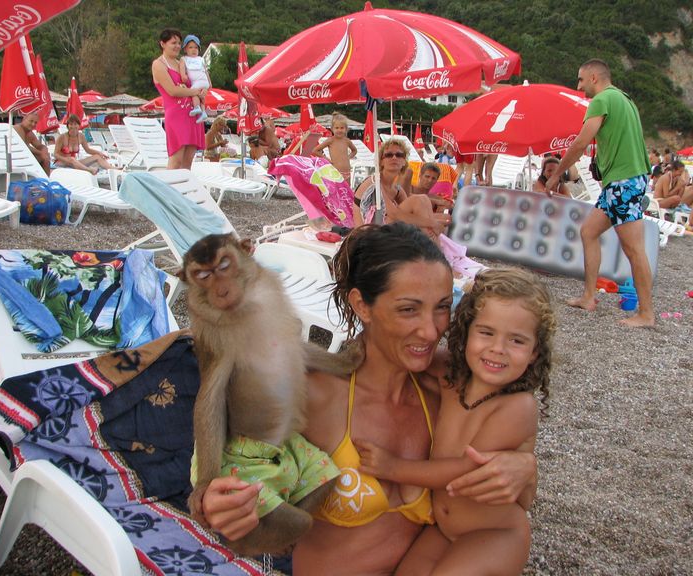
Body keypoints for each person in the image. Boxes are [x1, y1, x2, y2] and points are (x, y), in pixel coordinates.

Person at [200, 223, 538, 575]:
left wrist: (525, 467)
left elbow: (514, 477)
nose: (431, 330)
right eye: (408, 309)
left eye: (442, 307)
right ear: (362, 304)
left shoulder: (449, 388)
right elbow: (232, 468)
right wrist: (217, 503)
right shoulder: (317, 394)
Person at [358, 266, 555, 575]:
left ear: (534, 352)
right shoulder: (451, 376)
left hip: (494, 534)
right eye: (486, 332)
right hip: (443, 529)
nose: (498, 349)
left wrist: (392, 467)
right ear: (466, 331)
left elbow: (467, 469)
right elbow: (402, 357)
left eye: (517, 341)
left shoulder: (518, 407)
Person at [545, 58, 654, 327]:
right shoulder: (625, 100)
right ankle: (589, 296)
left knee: (634, 249)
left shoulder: (602, 100)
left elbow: (581, 142)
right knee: (589, 231)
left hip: (624, 181)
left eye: (581, 80)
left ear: (594, 77)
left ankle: (646, 314)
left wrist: (556, 175)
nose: (579, 86)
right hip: (625, 180)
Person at [353, 138, 449, 242]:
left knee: (424, 200)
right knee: (419, 200)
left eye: (399, 155)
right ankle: (434, 247)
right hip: (368, 236)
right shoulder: (374, 182)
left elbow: (414, 213)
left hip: (384, 230)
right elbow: (394, 214)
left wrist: (436, 220)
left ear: (404, 162)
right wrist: (432, 223)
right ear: (381, 161)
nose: (394, 157)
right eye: (389, 155)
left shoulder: (396, 189)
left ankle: (434, 246)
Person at [151, 28, 205, 169]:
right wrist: (194, 92)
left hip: (193, 114)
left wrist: (202, 90)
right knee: (176, 160)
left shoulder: (183, 62)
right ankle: (169, 184)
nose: (177, 46)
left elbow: (198, 80)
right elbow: (172, 90)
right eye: (173, 43)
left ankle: (185, 184)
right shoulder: (158, 64)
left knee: (187, 163)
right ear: (163, 44)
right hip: (176, 115)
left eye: (179, 43)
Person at [312, 112, 357, 183]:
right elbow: (315, 150)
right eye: (337, 128)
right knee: (336, 188)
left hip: (347, 171)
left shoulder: (347, 141)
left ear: (346, 129)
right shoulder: (331, 140)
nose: (339, 130)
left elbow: (354, 150)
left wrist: (348, 157)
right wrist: (326, 159)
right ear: (332, 129)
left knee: (346, 189)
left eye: (342, 128)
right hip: (335, 171)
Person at [181, 34, 210, 124]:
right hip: (204, 82)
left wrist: (184, 77)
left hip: (199, 81)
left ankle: (197, 107)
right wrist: (209, 84)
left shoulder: (187, 59)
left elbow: (205, 71)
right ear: (185, 49)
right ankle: (203, 112)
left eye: (196, 48)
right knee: (201, 96)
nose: (194, 50)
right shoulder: (190, 59)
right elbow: (206, 72)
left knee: (193, 92)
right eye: (191, 47)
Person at [14, 111, 51, 175]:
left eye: (35, 123)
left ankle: (45, 178)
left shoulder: (30, 133)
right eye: (31, 121)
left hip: (23, 157)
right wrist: (41, 153)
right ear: (24, 119)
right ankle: (45, 178)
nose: (33, 124)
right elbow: (23, 146)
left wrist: (44, 150)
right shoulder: (18, 128)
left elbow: (39, 146)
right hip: (14, 158)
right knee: (44, 158)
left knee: (45, 158)